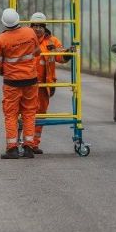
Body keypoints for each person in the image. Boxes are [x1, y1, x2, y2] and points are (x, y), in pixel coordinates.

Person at [0, 8, 40, 159]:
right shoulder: (30, 33)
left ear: (4, 23)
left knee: (11, 114)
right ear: (18, 19)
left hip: (12, 82)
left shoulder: (2, 39)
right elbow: (37, 51)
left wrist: (4, 72)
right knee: (29, 113)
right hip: (30, 80)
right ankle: (28, 147)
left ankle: (12, 148)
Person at [29, 12, 72, 154]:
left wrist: (67, 53)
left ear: (45, 27)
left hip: (45, 85)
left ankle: (34, 143)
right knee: (28, 113)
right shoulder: (26, 40)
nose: (38, 29)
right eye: (35, 26)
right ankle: (25, 142)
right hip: (28, 83)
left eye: (40, 26)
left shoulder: (52, 41)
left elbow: (60, 55)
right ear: (31, 26)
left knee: (41, 113)